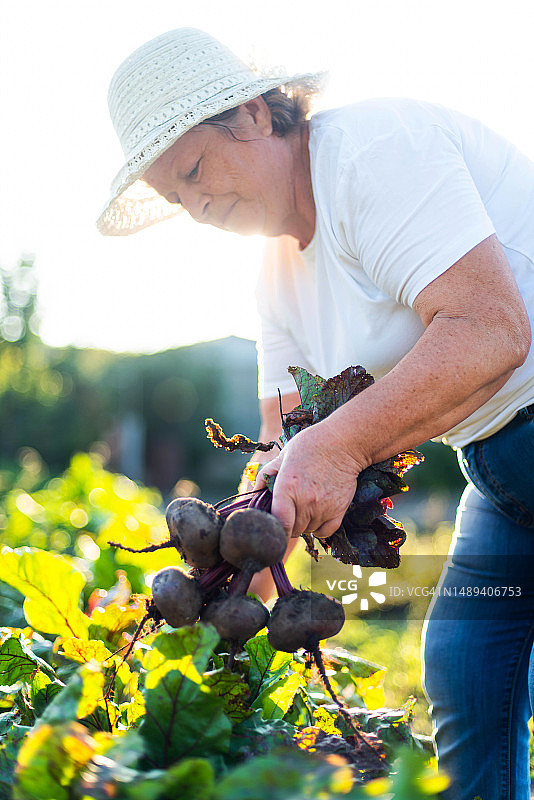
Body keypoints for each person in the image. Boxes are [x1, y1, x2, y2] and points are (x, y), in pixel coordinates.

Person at [97, 28, 534, 799]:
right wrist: (220, 597)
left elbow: (491, 328)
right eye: (175, 196)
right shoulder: (273, 272)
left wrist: (336, 450)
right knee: (467, 675)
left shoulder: (370, 154)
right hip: (500, 468)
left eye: (195, 170)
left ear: (257, 115)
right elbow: (282, 450)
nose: (196, 206)